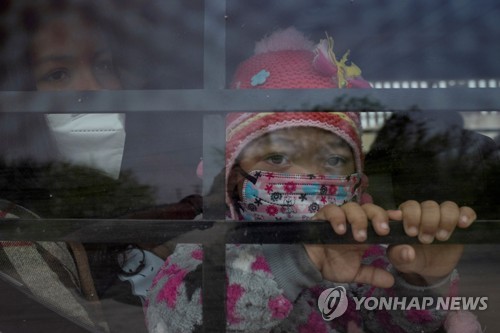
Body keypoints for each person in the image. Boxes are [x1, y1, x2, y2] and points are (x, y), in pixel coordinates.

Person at [145, 27, 481, 332]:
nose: (304, 177)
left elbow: (389, 323)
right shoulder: (210, 244)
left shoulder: (361, 246)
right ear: (232, 173)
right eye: (277, 158)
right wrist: (297, 263)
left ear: (358, 180)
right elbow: (174, 320)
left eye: (333, 159)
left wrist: (420, 281)